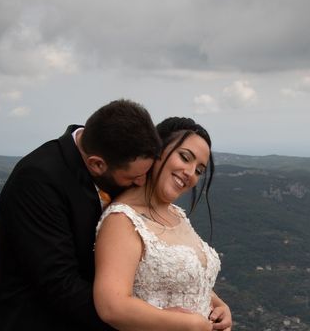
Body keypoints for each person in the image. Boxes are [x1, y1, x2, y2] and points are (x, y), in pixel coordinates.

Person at [0, 99, 161, 331]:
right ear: (97, 164)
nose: (141, 183)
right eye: (133, 178)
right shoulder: (37, 180)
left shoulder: (112, 156)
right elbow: (59, 284)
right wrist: (143, 321)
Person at [94, 117, 232, 331]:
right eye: (185, 158)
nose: (190, 174)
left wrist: (217, 305)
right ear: (156, 151)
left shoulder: (176, 214)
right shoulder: (122, 220)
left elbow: (179, 278)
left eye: (199, 170)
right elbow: (112, 306)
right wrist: (192, 324)